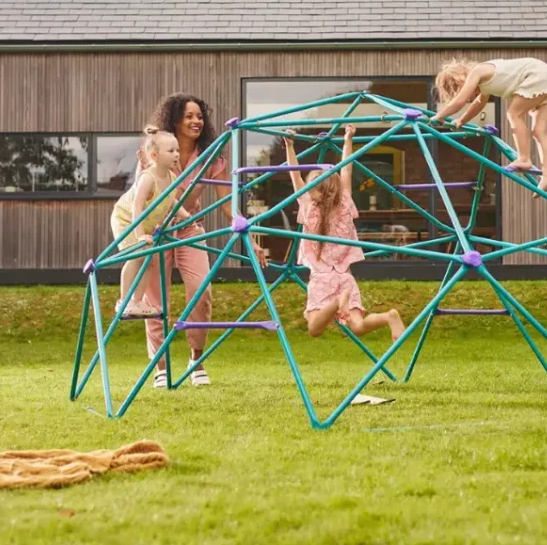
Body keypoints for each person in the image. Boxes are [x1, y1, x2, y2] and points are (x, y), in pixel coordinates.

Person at [138, 94, 266, 389]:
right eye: (189, 117)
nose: (197, 121)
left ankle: (196, 360)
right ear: (174, 120)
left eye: (200, 116)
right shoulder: (154, 151)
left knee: (200, 290)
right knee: (156, 301)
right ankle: (160, 367)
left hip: (191, 229)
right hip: (156, 231)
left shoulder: (211, 155)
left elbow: (226, 203)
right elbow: (141, 196)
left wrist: (249, 237)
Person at [283, 124, 405, 341]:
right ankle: (389, 316)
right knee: (358, 327)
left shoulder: (308, 205)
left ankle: (336, 304)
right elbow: (346, 168)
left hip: (321, 278)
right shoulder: (345, 202)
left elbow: (295, 176)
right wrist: (348, 139)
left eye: (311, 186)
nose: (308, 190)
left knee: (314, 328)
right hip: (345, 278)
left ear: (317, 189)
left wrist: (289, 146)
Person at [433, 57, 547, 193]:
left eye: (459, 89)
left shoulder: (477, 72)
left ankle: (524, 158)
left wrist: (439, 116)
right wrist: (462, 120)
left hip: (535, 75)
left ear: (460, 79)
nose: (470, 96)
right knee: (540, 130)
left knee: (514, 114)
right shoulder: (484, 79)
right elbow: (479, 103)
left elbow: (459, 101)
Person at [110, 128, 197, 317]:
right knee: (136, 257)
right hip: (127, 220)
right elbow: (137, 206)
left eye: (177, 150)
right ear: (155, 155)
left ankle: (137, 302)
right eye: (171, 151)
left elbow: (171, 201)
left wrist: (186, 216)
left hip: (144, 224)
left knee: (148, 261)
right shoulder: (148, 178)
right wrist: (139, 234)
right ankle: (124, 302)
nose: (176, 155)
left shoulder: (171, 178)